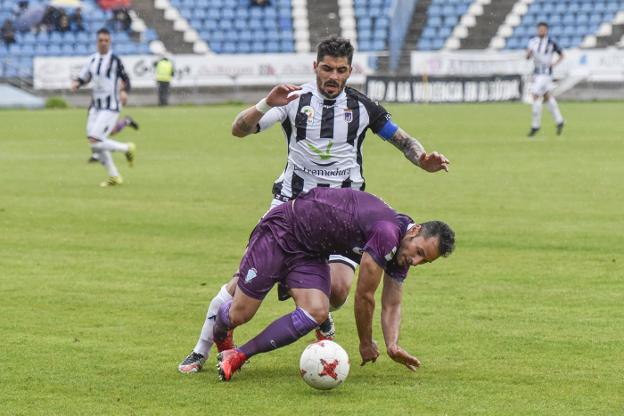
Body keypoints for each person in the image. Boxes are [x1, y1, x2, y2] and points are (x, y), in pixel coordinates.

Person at [178, 36, 450, 373]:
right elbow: (239, 129)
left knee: (337, 291)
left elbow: (404, 140)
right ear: (315, 67)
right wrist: (264, 103)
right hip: (290, 208)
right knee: (239, 288)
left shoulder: (363, 107)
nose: (333, 76)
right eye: (327, 68)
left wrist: (422, 159)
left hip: (342, 220)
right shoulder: (292, 99)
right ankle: (201, 348)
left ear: (350, 71)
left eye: (341, 70)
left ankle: (314, 313)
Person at [208, 187, 455, 381]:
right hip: (282, 230)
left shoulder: (403, 247)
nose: (415, 260)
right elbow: (364, 296)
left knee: (316, 311)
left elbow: (391, 302)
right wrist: (366, 343)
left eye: (424, 260)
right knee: (240, 314)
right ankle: (222, 331)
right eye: (419, 252)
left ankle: (238, 355)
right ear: (416, 230)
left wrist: (392, 344)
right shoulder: (388, 233)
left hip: (310, 251)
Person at [71, 28, 136, 187]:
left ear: (110, 42)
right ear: (97, 42)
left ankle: (127, 148)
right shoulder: (92, 60)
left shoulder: (115, 60)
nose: (103, 43)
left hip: (110, 106)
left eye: (106, 40)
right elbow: (84, 77)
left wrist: (124, 91)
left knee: (95, 141)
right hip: (95, 107)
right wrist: (77, 83)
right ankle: (114, 176)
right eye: (101, 40)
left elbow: (126, 79)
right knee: (96, 143)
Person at [526, 22, 565, 137]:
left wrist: (554, 64)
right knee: (547, 97)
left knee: (535, 96)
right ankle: (559, 121)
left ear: (547, 30)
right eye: (540, 29)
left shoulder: (551, 43)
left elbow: (562, 55)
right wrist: (528, 54)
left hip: (546, 74)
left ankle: (535, 126)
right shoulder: (532, 42)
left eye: (543, 29)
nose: (541, 31)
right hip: (537, 73)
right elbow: (528, 57)